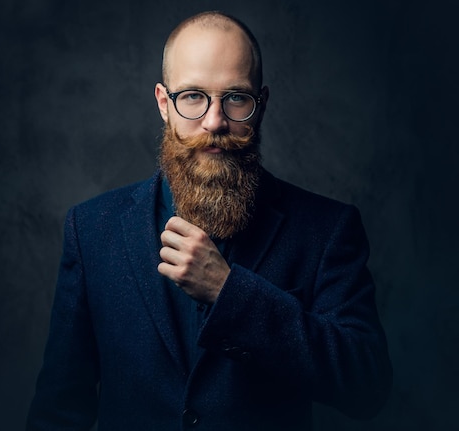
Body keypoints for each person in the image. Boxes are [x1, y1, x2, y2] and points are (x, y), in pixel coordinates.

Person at [26, 10, 392, 431]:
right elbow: (58, 409)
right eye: (193, 96)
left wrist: (229, 292)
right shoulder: (92, 229)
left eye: (236, 97)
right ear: (164, 104)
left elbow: (368, 387)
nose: (215, 121)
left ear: (262, 104)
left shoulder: (326, 230)